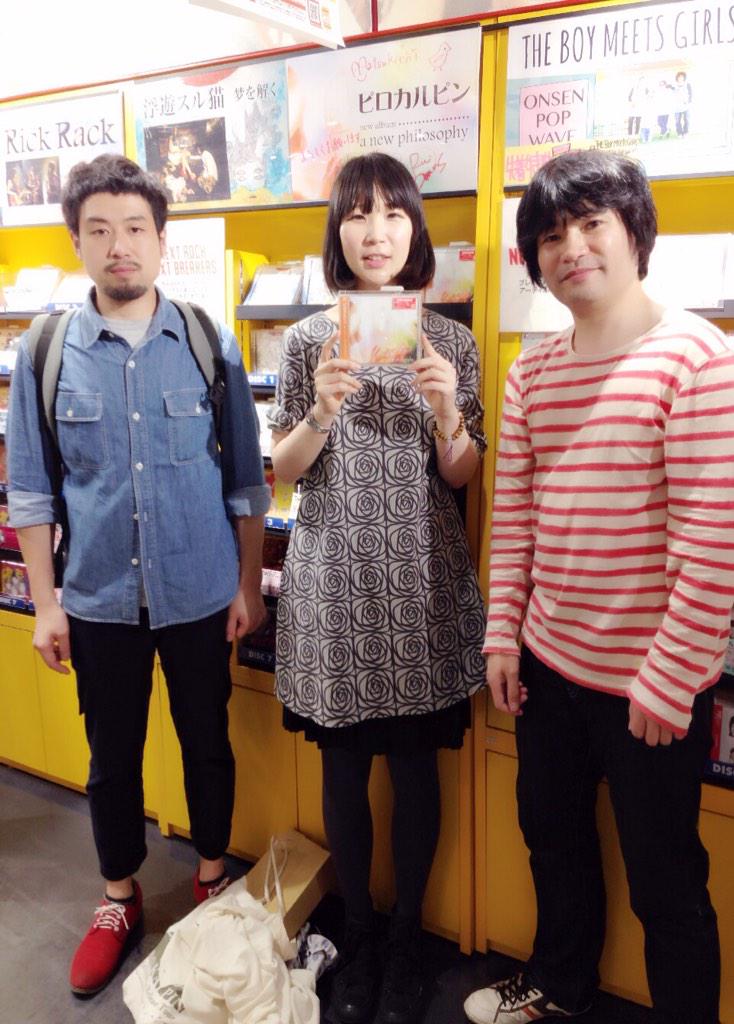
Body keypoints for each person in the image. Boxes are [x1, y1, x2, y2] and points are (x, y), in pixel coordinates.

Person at [464, 149, 732, 1024]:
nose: (571, 247)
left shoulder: (698, 359)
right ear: (535, 261)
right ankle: (560, 984)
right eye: (550, 236)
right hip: (549, 668)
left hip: (649, 688)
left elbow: (715, 541)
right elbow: (515, 520)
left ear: (635, 234)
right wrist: (503, 638)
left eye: (590, 225)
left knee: (667, 881)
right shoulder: (532, 371)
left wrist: (669, 676)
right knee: (552, 838)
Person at [6, 154, 270, 997]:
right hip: (97, 600)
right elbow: (31, 490)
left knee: (207, 742)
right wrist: (47, 604)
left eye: (134, 228)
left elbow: (246, 481)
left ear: (160, 239)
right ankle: (118, 895)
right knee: (111, 758)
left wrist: (247, 584)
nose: (119, 245)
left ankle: (212, 874)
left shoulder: (206, 341)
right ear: (77, 242)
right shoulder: (45, 352)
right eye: (99, 230)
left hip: (200, 591)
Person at [268, 152, 487, 1024]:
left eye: (392, 213)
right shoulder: (306, 342)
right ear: (339, 230)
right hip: (334, 585)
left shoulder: (452, 343)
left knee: (416, 769)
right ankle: (357, 934)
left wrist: (447, 412)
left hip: (420, 587)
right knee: (345, 767)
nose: (375, 231)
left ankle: (405, 940)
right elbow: (284, 471)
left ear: (414, 230)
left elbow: (462, 474)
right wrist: (321, 411)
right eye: (358, 214)